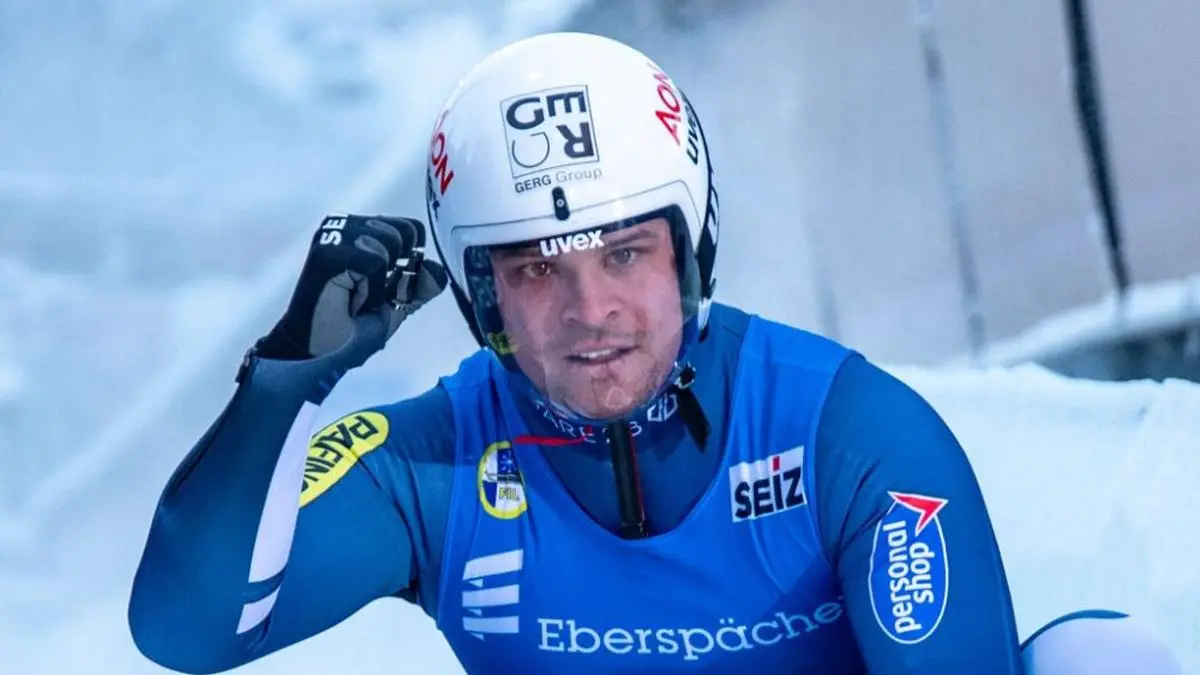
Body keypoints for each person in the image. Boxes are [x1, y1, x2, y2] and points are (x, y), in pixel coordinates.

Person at [127, 31, 1181, 675]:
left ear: (691, 248)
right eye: (537, 269)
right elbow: (187, 632)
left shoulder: (850, 435)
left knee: (1099, 659)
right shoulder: (429, 463)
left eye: (624, 253)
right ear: (482, 297)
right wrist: (285, 384)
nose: (591, 310)